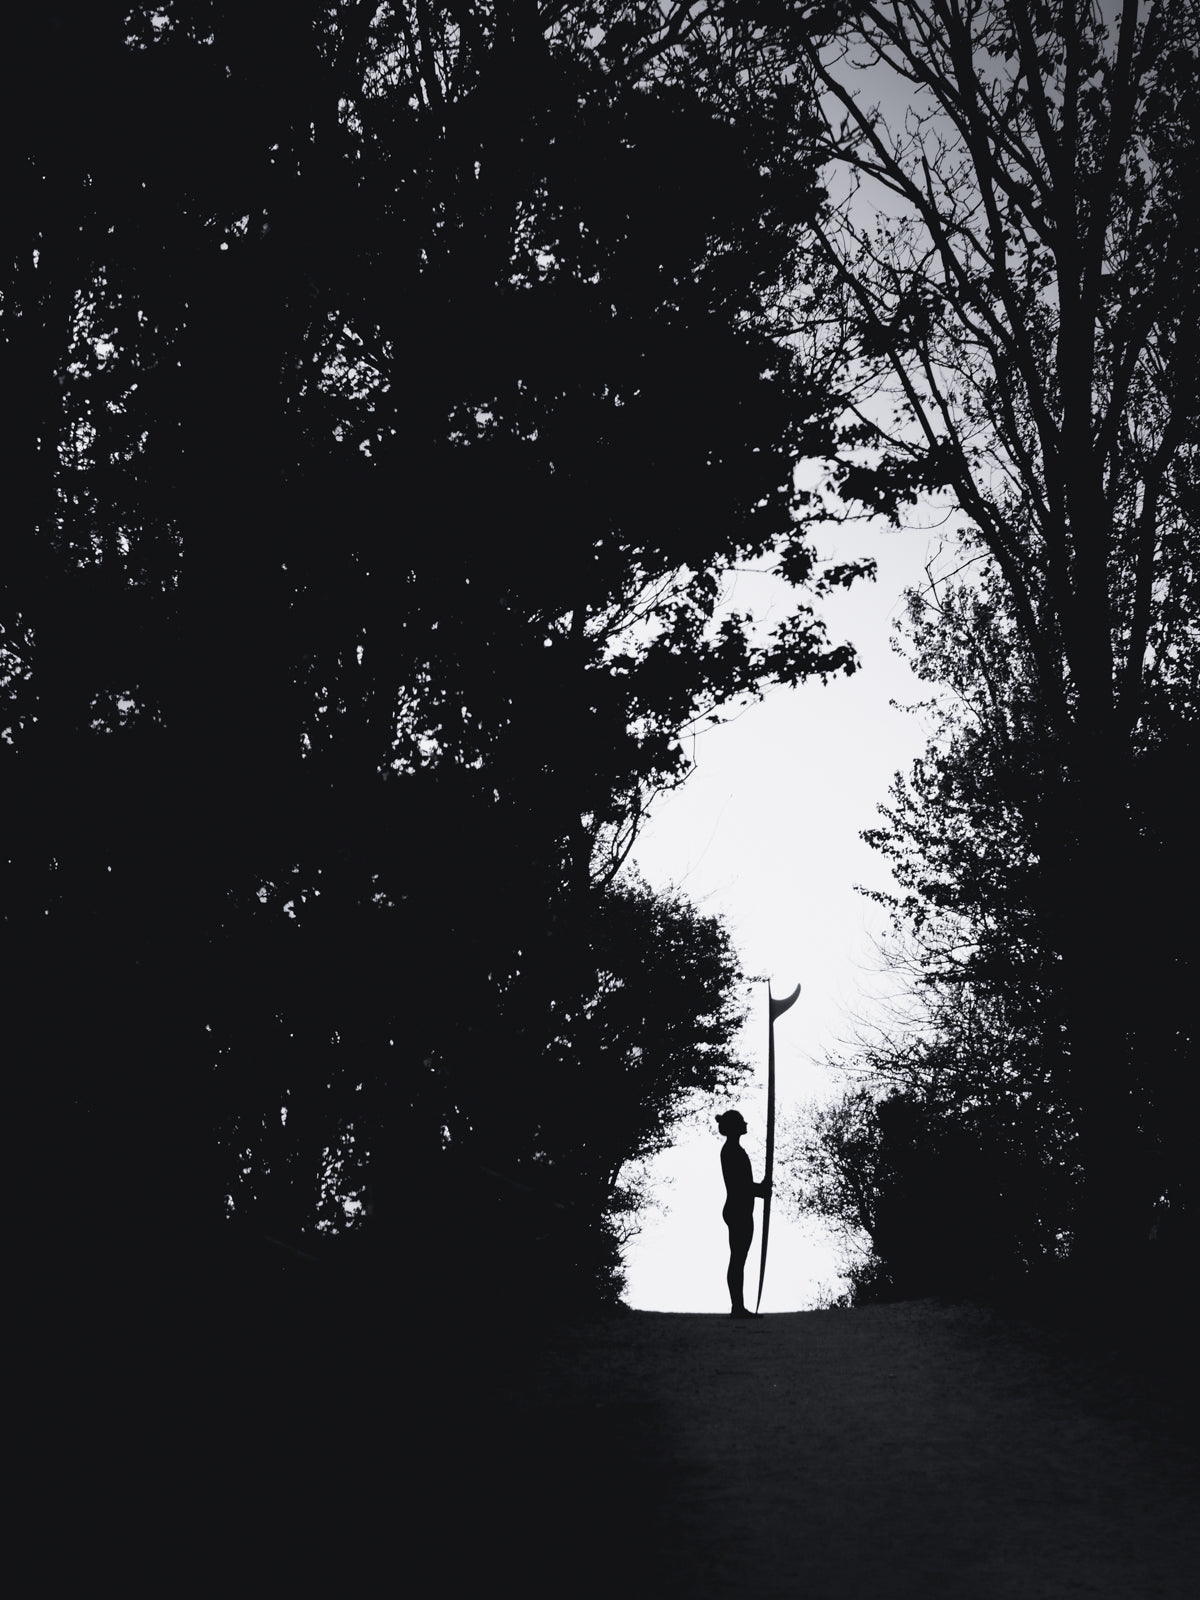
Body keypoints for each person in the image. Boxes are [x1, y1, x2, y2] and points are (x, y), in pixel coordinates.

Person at [716, 1109, 769, 1318]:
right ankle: (737, 1307)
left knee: (739, 1258)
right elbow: (740, 1186)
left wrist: (759, 1189)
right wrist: (760, 1190)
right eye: (742, 1123)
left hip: (740, 1208)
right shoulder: (731, 1151)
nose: (746, 1125)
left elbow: (744, 1185)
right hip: (738, 1210)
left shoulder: (734, 1150)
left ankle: (738, 1306)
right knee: (738, 1259)